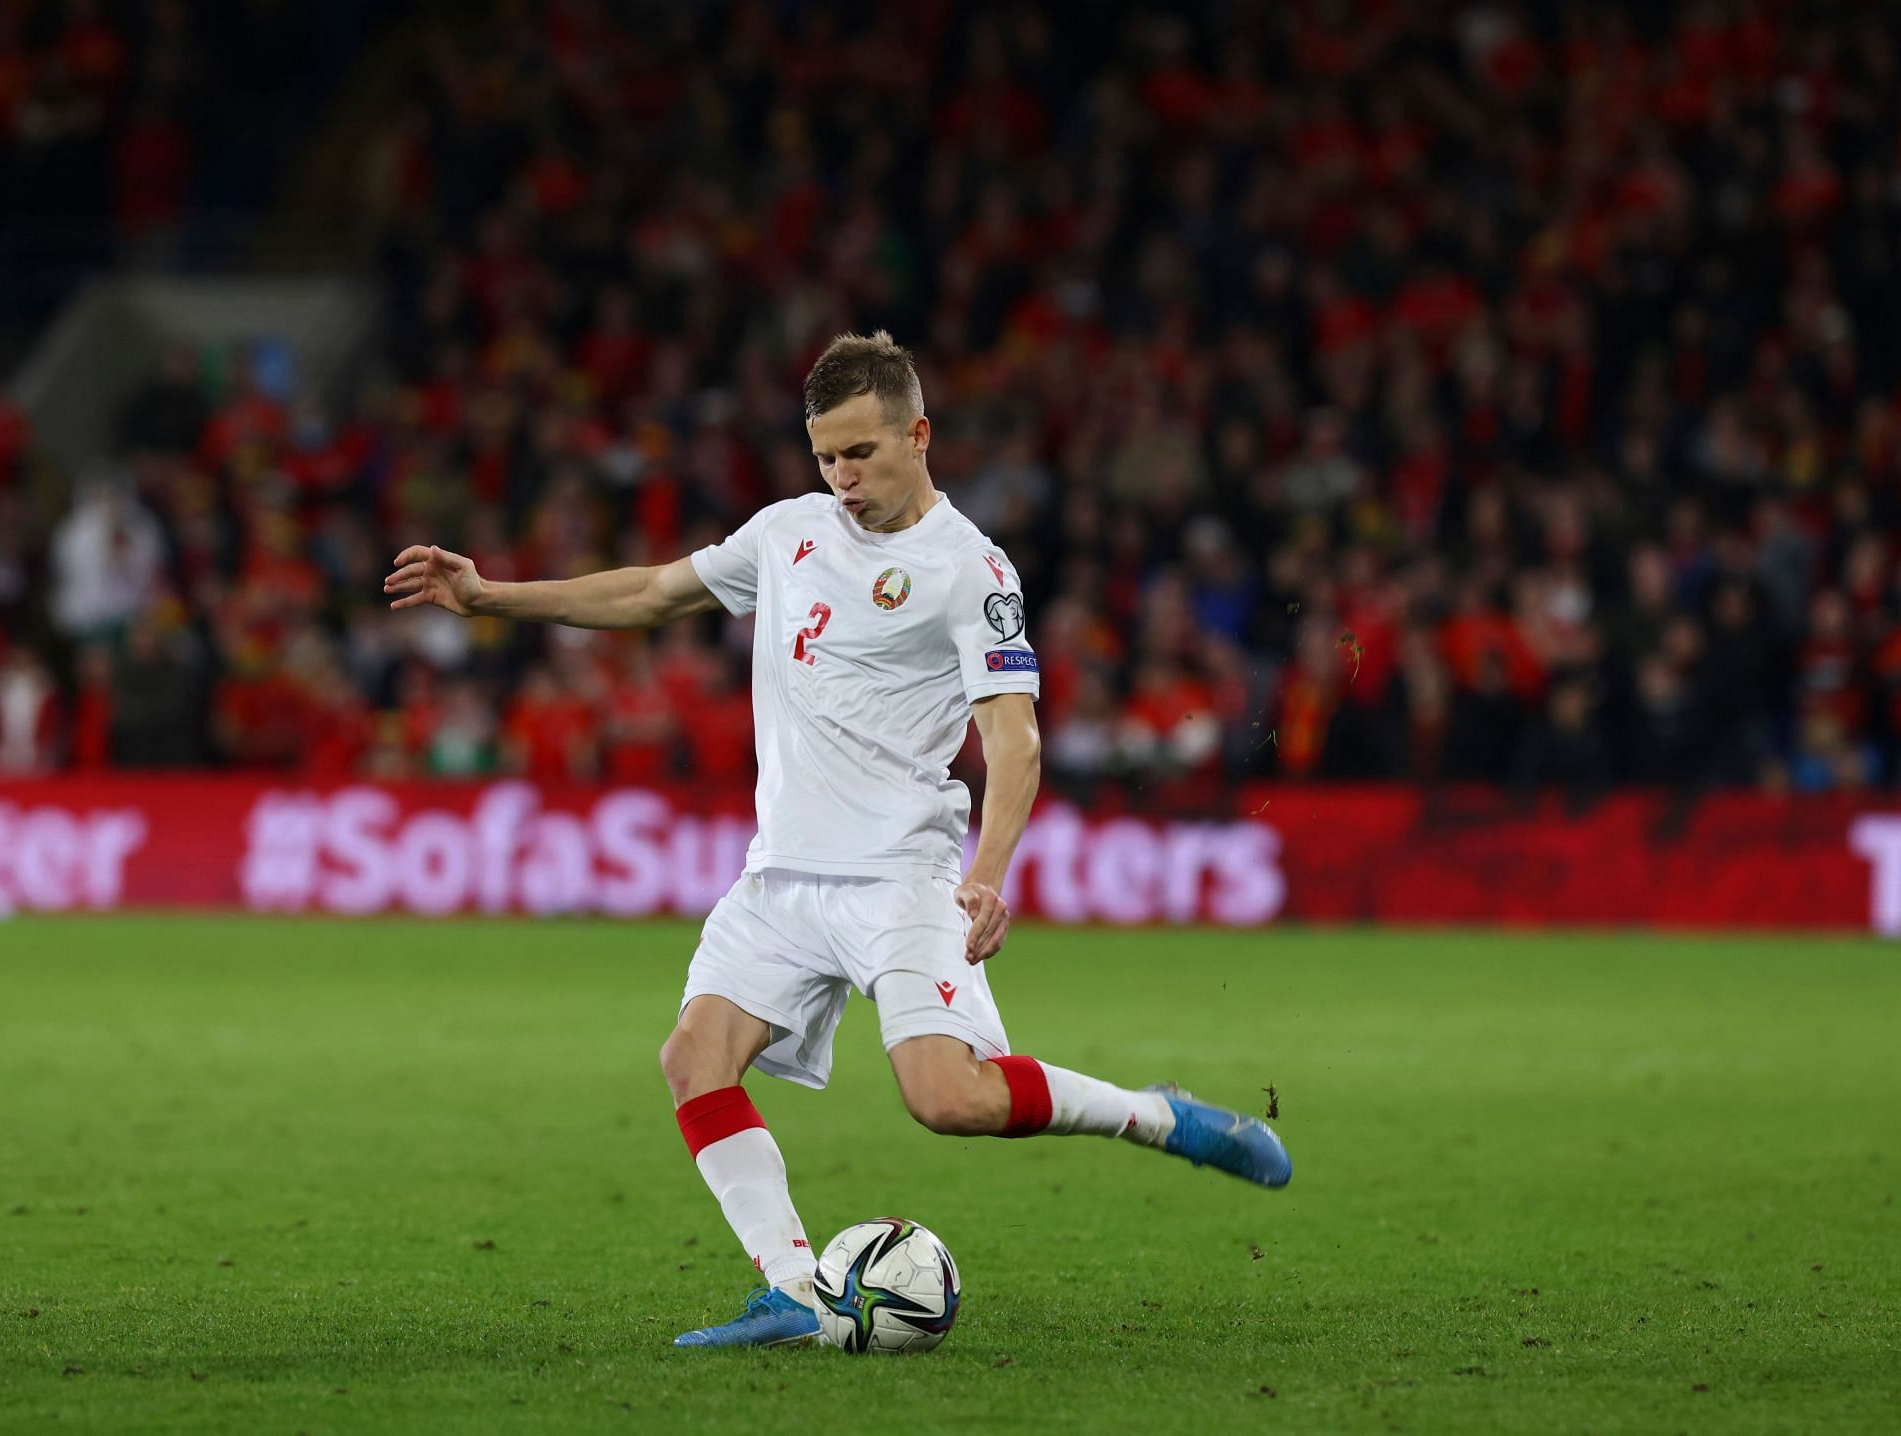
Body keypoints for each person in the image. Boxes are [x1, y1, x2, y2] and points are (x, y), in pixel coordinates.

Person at [383, 331, 1291, 1349]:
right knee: (694, 1058)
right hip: (780, 878)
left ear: (919, 432)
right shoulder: (789, 532)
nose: (843, 477)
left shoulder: (969, 568)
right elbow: (652, 591)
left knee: (946, 1099)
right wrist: (489, 594)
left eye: (861, 452)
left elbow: (1014, 736)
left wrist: (987, 874)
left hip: (900, 874)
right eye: (826, 457)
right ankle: (793, 1285)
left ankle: (1153, 1113)